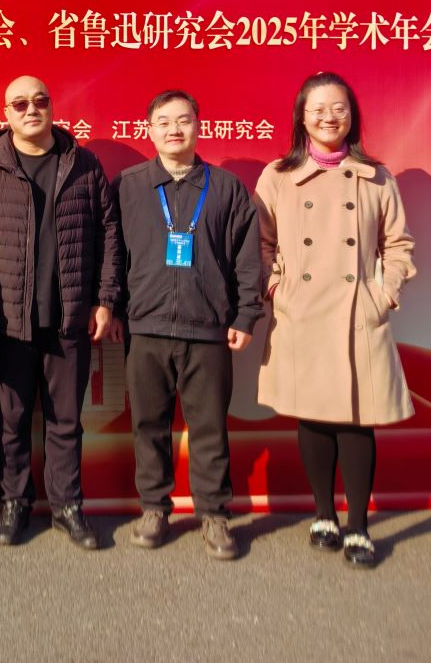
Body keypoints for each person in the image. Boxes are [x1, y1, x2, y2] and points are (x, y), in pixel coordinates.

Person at [255, 71, 415, 569]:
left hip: (356, 315)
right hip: (301, 312)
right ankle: (324, 514)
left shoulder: (376, 177)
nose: (329, 117)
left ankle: (359, 525)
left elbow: (398, 245)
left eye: (339, 108)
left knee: (356, 421)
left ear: (352, 117)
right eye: (319, 109)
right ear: (301, 117)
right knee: (314, 417)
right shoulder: (278, 175)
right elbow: (260, 244)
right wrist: (278, 289)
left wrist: (382, 295)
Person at [0, 76, 121, 550]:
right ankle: (14, 503)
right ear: (6, 113)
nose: (31, 109)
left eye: (40, 101)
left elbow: (108, 234)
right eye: (20, 103)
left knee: (66, 421)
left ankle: (67, 506)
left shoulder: (83, 164)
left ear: (52, 106)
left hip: (69, 317)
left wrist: (105, 300)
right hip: (7, 322)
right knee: (10, 421)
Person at [114, 90, 262, 559]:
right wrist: (113, 309)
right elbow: (111, 255)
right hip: (145, 327)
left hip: (208, 328)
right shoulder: (129, 186)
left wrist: (245, 314)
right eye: (163, 121)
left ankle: (214, 514)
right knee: (148, 426)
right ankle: (154, 508)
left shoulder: (226, 188)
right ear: (149, 130)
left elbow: (247, 259)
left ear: (199, 126)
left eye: (183, 120)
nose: (174, 129)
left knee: (209, 428)